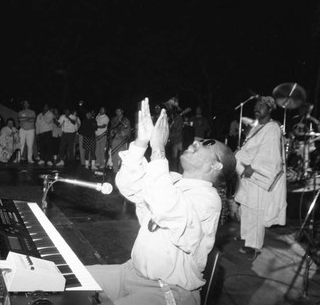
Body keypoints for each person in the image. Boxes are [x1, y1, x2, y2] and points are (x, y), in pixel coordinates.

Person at [87, 98, 236, 305]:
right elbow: (129, 186)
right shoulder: (172, 180)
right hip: (131, 273)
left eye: (207, 144)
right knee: (67, 280)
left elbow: (168, 208)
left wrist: (158, 149)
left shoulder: (209, 200)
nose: (196, 142)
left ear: (216, 166)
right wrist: (142, 142)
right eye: (200, 140)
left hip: (169, 290)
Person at [234, 96, 287, 259]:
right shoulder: (258, 127)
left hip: (256, 174)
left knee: (256, 210)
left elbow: (269, 153)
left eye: (262, 106)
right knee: (247, 207)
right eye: (256, 105)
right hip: (246, 174)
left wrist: (253, 168)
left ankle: (254, 245)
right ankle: (246, 238)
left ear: (270, 109)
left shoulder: (272, 128)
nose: (257, 108)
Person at [108, 107, 131, 173]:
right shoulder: (114, 119)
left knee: (123, 156)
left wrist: (126, 136)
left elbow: (128, 130)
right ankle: (115, 171)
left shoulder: (125, 120)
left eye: (119, 111)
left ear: (122, 111)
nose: (118, 112)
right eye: (117, 111)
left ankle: (122, 171)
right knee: (114, 155)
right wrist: (110, 138)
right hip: (115, 139)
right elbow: (111, 129)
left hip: (123, 140)